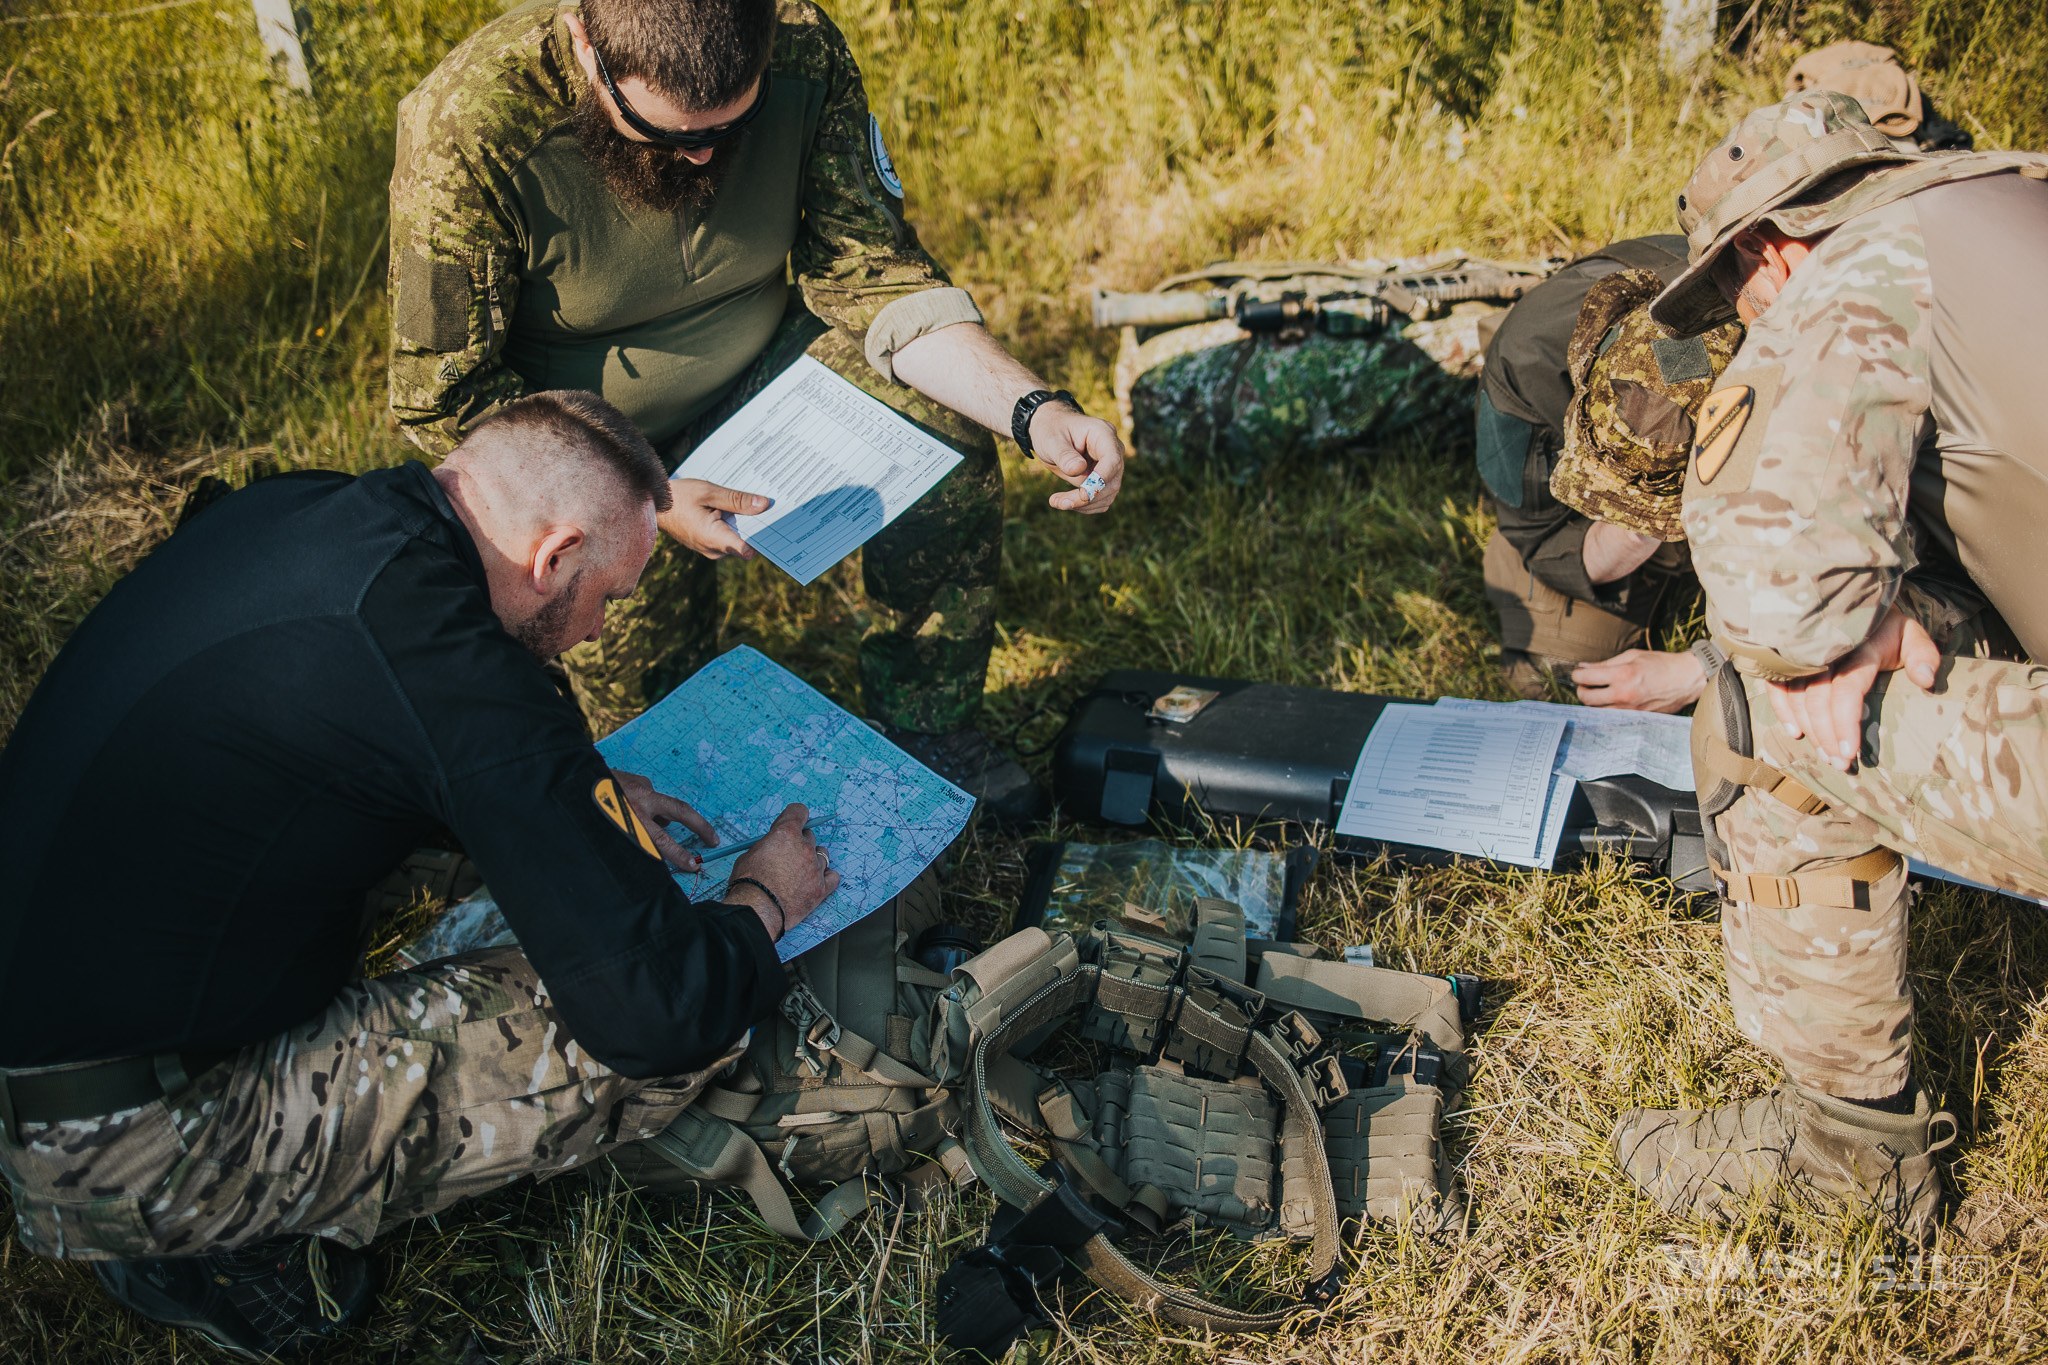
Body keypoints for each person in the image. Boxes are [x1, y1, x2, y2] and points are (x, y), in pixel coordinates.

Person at [0, 391, 840, 1357]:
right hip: (117, 1138)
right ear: (554, 556)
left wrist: (574, 797)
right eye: (608, 597)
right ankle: (206, 1233)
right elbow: (656, 1011)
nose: (602, 633)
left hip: (62, 983)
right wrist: (761, 902)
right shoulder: (469, 684)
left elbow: (400, 725)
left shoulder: (315, 510)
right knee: (655, 1025)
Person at [387, 0, 1127, 822]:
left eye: (732, 125)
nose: (703, 153)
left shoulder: (804, 51)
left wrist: (1032, 409)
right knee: (660, 743)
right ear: (587, 48)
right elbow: (443, 395)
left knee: (942, 442)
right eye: (667, 133)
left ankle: (929, 729)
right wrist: (654, 497)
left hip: (764, 375)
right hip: (580, 452)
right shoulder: (473, 125)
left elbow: (868, 269)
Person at [1607, 90, 2048, 1240]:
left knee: (1762, 716)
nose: (1737, 325)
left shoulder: (1859, 269)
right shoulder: (2007, 203)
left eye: (1729, 298)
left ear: (1769, 245)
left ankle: (1853, 1163)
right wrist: (1900, 611)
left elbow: (1780, 594)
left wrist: (1834, 634)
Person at [1475, 236, 1738, 713]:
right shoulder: (1528, 366)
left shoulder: (1819, 380)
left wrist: (1709, 667)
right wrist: (1637, 531)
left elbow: (1870, 593)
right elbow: (1535, 534)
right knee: (1563, 664)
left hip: (1783, 476)